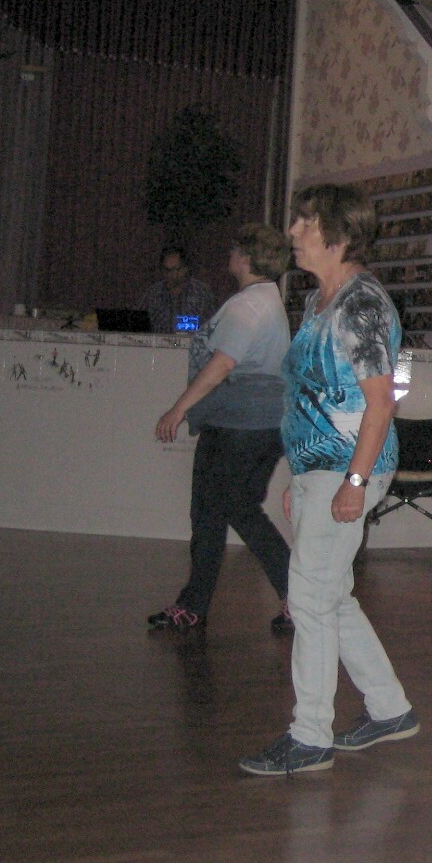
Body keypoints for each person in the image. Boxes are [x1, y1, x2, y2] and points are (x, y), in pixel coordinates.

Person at [238, 184, 417, 776]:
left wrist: (353, 482)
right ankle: (390, 709)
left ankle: (310, 735)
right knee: (330, 596)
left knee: (309, 599)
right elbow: (312, 396)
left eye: (305, 222)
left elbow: (380, 402)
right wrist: (303, 476)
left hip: (350, 466)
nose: (293, 232)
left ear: (337, 235)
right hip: (325, 467)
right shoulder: (322, 300)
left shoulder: (361, 305)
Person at [149, 223, 294, 638]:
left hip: (239, 426)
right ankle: (199, 605)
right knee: (225, 511)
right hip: (251, 424)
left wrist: (178, 409)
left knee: (220, 512)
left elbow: (222, 363)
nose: (229, 254)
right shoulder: (264, 299)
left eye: (234, 249)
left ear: (246, 256)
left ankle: (201, 605)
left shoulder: (249, 306)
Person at [138, 244, 215, 334]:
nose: (171, 274)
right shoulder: (153, 293)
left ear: (185, 268)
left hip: (192, 342)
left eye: (175, 269)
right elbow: (138, 324)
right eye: (166, 270)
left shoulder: (201, 293)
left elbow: (213, 327)